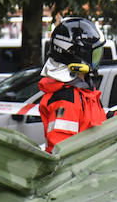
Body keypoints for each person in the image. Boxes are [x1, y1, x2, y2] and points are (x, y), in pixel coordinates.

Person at [37, 16, 108, 153]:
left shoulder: (84, 92)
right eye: (94, 55)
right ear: (76, 56)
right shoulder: (66, 99)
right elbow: (61, 150)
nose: (97, 61)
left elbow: (97, 121)